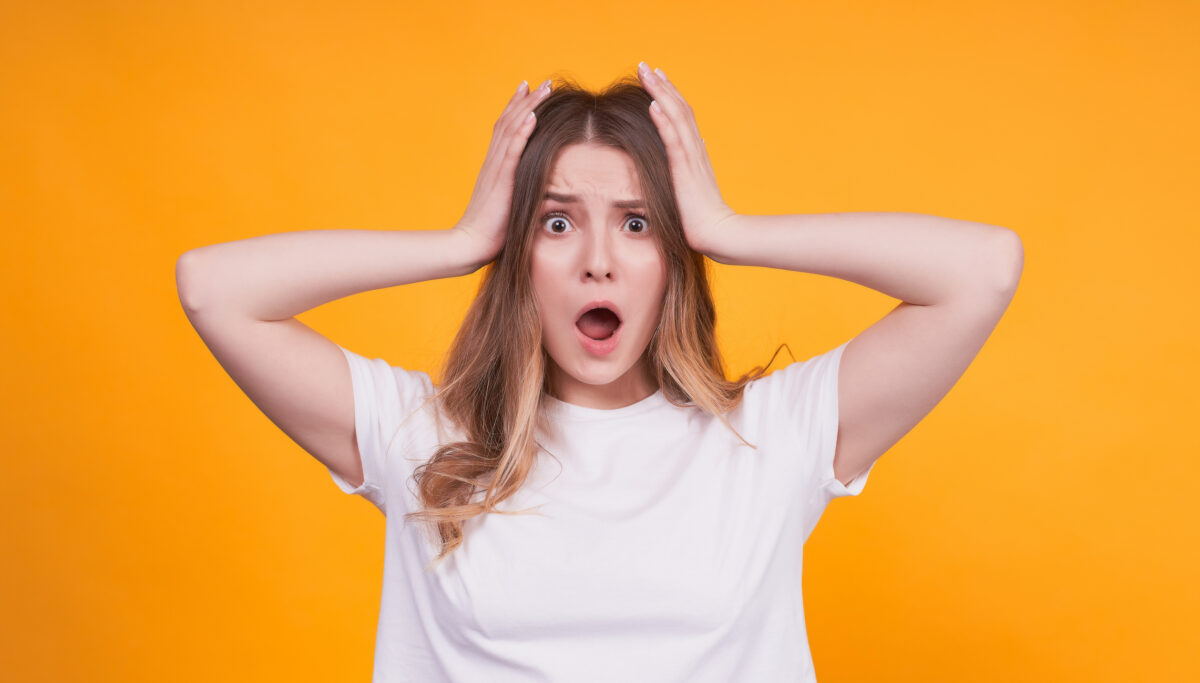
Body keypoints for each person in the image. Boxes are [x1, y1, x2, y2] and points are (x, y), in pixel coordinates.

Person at [176, 61, 1022, 682]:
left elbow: (983, 270)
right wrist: (461, 243)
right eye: (556, 223)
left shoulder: (770, 437)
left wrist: (728, 229)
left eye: (637, 224)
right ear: (520, 258)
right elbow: (214, 289)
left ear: (674, 257)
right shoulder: (426, 441)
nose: (597, 260)